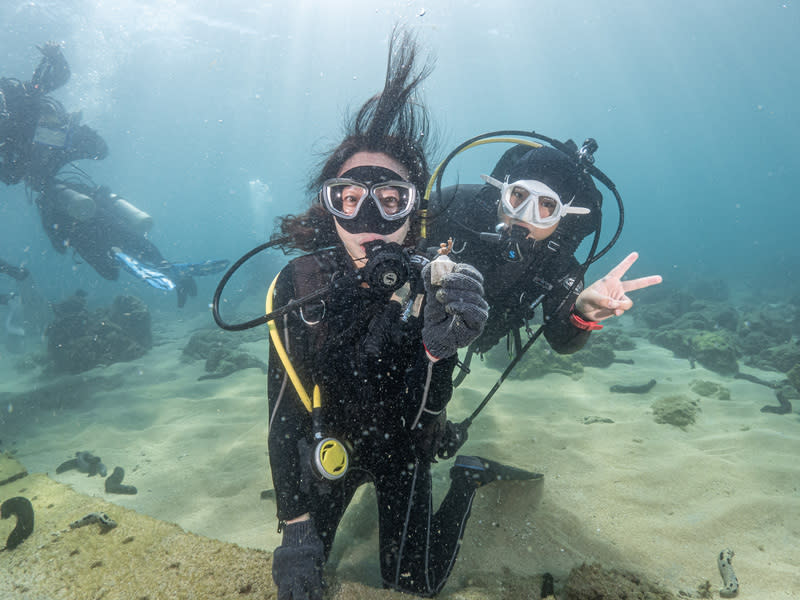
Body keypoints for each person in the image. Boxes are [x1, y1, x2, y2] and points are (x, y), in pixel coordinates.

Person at [264, 29, 530, 599]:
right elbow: (283, 419)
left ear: (416, 213)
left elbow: (426, 414)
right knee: (307, 563)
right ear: (328, 209)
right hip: (327, 442)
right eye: (349, 200)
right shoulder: (300, 286)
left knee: (417, 585)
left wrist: (439, 346)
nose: (369, 222)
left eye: (390, 202)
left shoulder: (437, 283)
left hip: (403, 448)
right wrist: (295, 530)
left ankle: (468, 479)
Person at [1, 43, 226, 306]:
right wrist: (57, 57)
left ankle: (122, 256)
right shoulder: (23, 97)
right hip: (68, 179)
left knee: (90, 250)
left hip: (56, 189)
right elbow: (60, 80)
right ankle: (162, 265)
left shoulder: (20, 100)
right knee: (104, 221)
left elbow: (14, 176)